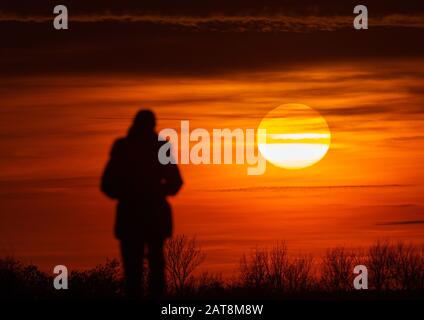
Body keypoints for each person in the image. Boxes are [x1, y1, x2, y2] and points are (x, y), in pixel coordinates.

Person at [101, 110, 183, 299]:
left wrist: (129, 194)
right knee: (149, 268)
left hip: (135, 214)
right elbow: (175, 182)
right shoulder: (154, 147)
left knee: (137, 270)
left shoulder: (125, 147)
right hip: (146, 215)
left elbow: (108, 184)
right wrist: (154, 192)